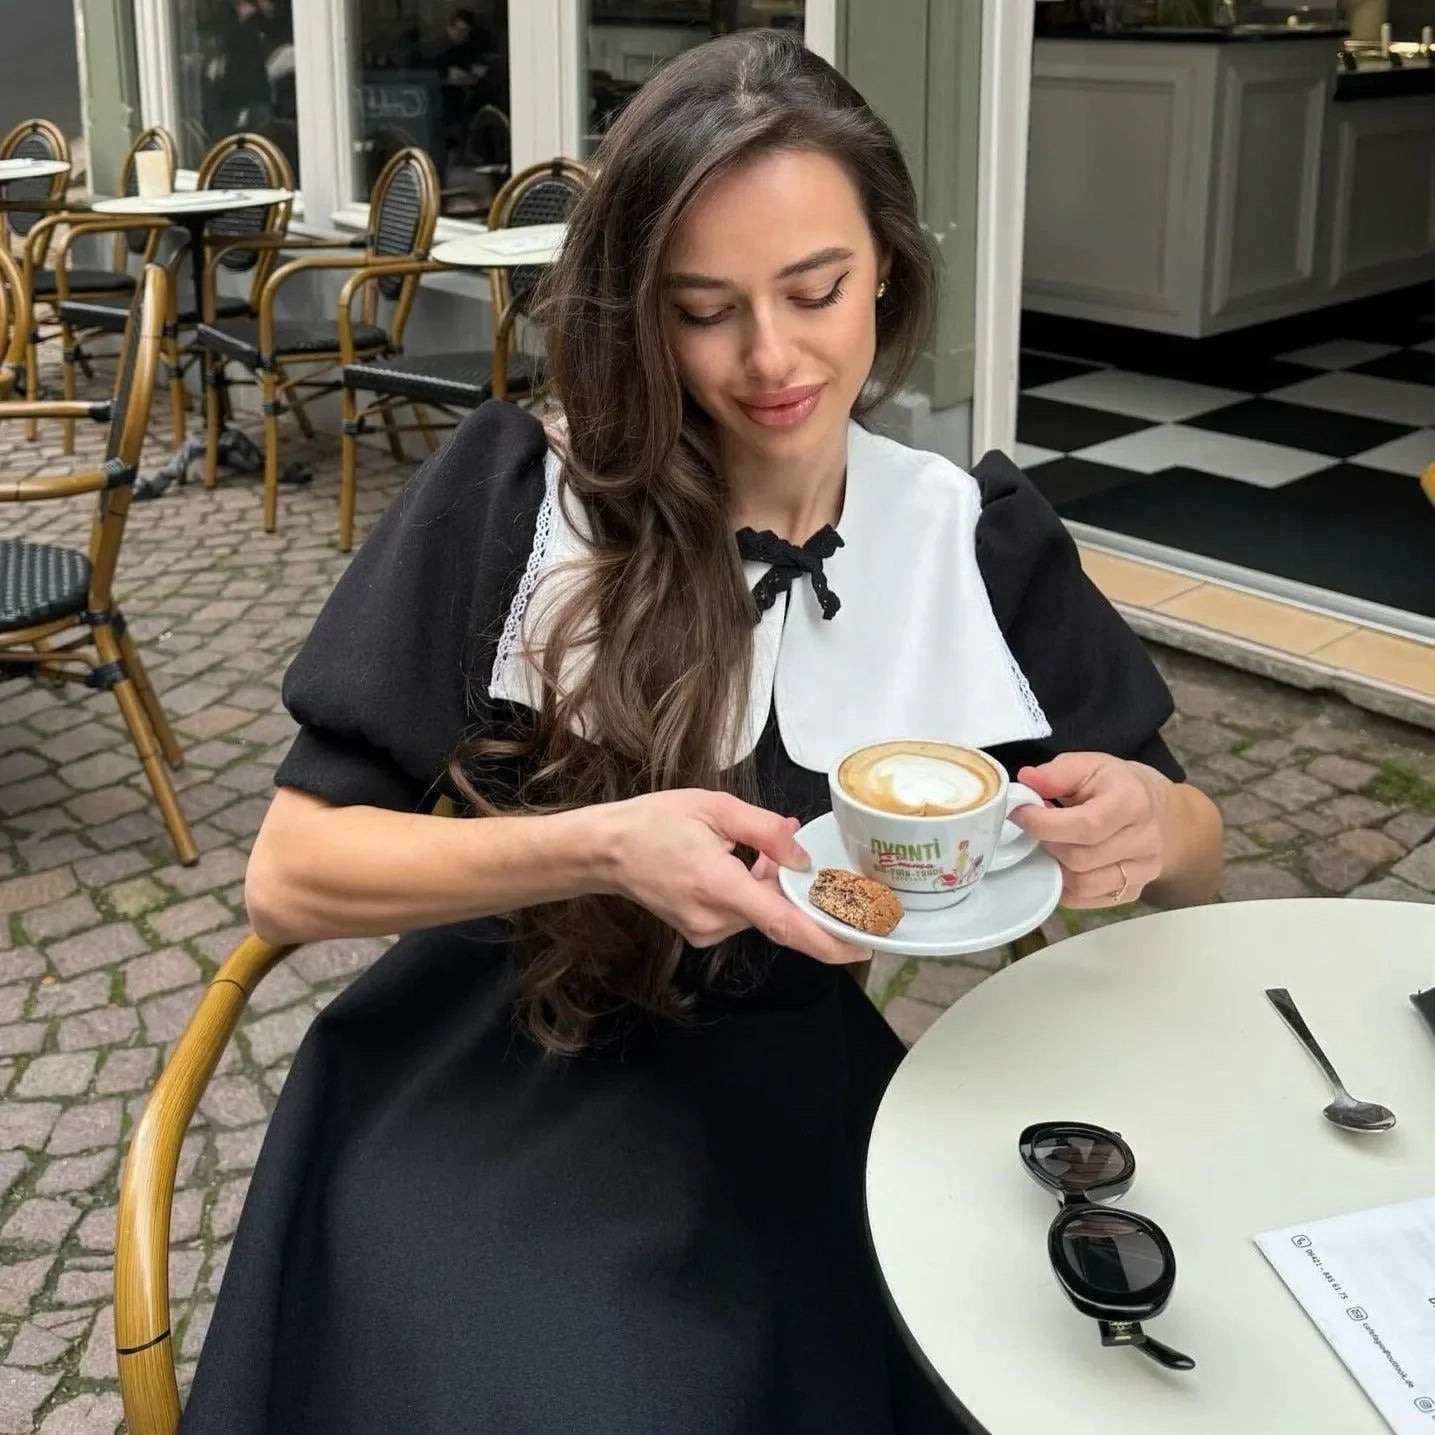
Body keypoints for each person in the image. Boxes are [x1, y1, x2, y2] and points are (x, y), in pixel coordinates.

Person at [178, 30, 1223, 1435]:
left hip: (807, 1100)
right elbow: (289, 876)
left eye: (816, 290)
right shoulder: (520, 499)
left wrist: (1146, 830)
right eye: (704, 308)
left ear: (889, 273)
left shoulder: (968, 533)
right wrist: (601, 845)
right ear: (638, 314)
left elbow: (1195, 850)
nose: (773, 357)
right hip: (495, 1091)